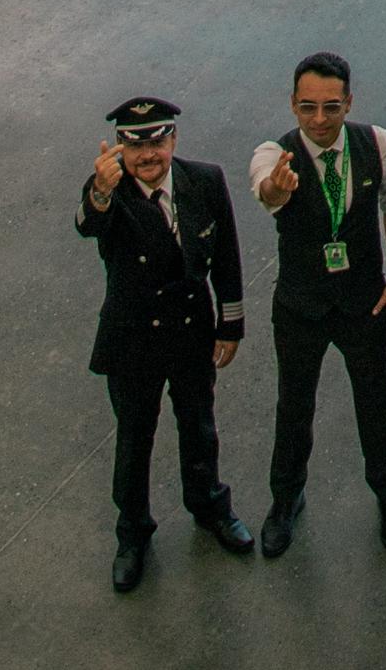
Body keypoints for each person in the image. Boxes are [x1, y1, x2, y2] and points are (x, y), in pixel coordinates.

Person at [75, 95, 254, 594]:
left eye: (157, 141)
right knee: (135, 438)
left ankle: (209, 506)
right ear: (119, 151)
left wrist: (230, 323)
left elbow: (228, 257)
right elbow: (88, 224)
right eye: (137, 146)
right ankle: (132, 535)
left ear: (173, 140)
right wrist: (100, 193)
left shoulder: (206, 181)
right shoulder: (111, 192)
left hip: (191, 332)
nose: (149, 156)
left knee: (199, 425)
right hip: (132, 340)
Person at [248, 51, 386, 559]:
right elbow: (267, 192)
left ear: (348, 103)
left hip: (364, 300)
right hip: (301, 305)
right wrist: (278, 185)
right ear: (293, 105)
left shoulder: (378, 144)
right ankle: (285, 499)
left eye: (331, 107)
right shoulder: (273, 155)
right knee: (294, 405)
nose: (319, 120)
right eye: (308, 108)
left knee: (376, 401)